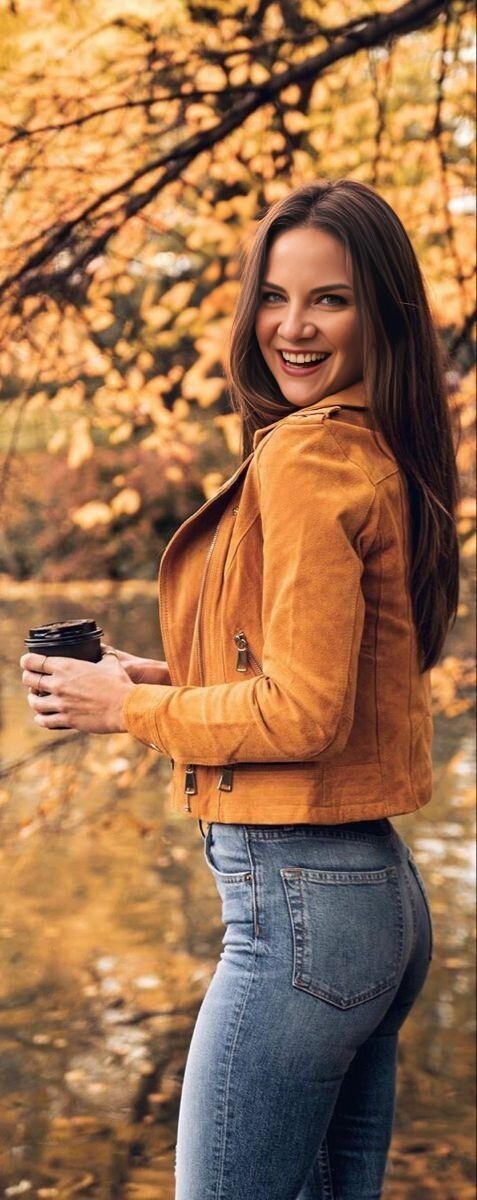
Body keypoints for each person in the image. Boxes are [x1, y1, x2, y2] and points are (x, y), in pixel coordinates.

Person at [20, 179, 460, 1199]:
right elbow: (329, 681)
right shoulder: (370, 448)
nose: (291, 327)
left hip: (300, 907)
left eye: (328, 300)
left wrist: (125, 710)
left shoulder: (306, 457)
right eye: (273, 295)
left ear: (382, 315)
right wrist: (159, 677)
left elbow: (302, 716)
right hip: (372, 899)